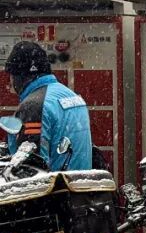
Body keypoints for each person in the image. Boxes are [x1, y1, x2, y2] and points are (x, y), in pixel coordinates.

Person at [4, 41, 92, 170]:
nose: (10, 82)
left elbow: (30, 168)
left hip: (56, 182)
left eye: (11, 76)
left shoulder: (34, 106)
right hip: (79, 180)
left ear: (20, 76)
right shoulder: (70, 96)